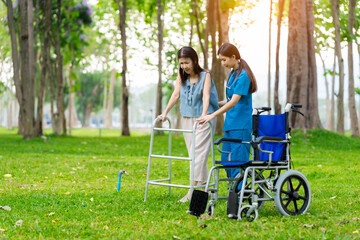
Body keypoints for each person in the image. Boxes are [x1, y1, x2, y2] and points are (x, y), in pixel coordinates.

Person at [158, 46, 219, 202]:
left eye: (186, 62)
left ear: (194, 60)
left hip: (204, 118)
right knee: (195, 154)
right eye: (181, 63)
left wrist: (205, 115)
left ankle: (192, 191)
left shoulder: (205, 75)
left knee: (197, 154)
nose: (184, 66)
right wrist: (165, 112)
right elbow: (176, 94)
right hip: (187, 117)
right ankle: (205, 189)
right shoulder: (181, 75)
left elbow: (206, 96)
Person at [197, 43, 257, 179]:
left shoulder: (243, 76)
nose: (222, 63)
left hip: (241, 125)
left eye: (224, 60)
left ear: (233, 57)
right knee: (226, 158)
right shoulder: (233, 74)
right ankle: (233, 190)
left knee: (238, 160)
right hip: (230, 124)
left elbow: (234, 102)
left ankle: (241, 192)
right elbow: (229, 100)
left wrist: (212, 115)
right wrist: (212, 105)